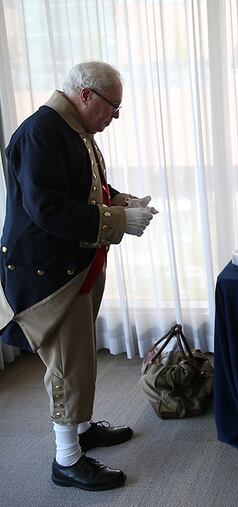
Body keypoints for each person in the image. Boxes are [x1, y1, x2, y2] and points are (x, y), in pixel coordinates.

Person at [0, 61, 157, 490]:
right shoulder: (41, 132)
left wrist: (123, 202)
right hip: (51, 271)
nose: (115, 117)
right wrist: (118, 221)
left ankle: (83, 430)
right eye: (113, 107)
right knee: (67, 365)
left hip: (77, 263)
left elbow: (88, 190)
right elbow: (48, 210)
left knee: (82, 356)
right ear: (85, 95)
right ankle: (66, 459)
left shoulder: (72, 129)